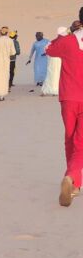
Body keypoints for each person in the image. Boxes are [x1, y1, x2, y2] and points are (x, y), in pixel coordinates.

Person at [46, 14, 83, 206]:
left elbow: (49, 49)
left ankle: (74, 183)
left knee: (70, 138)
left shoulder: (68, 41)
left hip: (69, 97)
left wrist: (66, 33)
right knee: (80, 143)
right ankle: (72, 178)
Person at [42, 27, 67, 96]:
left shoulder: (53, 41)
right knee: (58, 75)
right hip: (59, 60)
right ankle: (55, 90)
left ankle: (46, 90)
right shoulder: (65, 41)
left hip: (52, 60)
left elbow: (46, 49)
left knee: (50, 74)